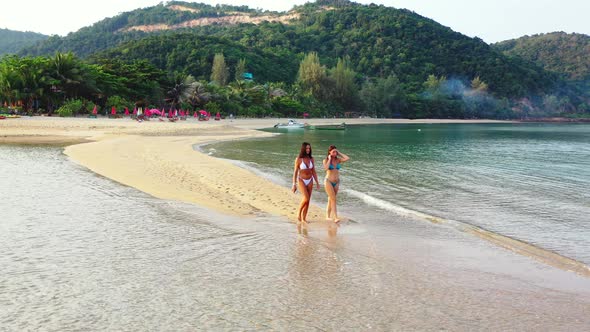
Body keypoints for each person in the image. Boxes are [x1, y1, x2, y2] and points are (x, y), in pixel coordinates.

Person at [292, 142, 320, 223]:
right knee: (306, 198)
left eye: (309, 148)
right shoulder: (298, 159)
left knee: (308, 200)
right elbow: (295, 172)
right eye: (307, 148)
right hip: (301, 180)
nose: (308, 150)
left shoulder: (312, 159)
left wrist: (317, 182)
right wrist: (294, 184)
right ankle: (299, 213)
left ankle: (304, 218)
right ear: (303, 149)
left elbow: (313, 171)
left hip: (310, 180)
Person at [323, 145, 350, 223]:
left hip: (337, 182)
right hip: (328, 182)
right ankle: (335, 217)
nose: (335, 153)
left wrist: (339, 152)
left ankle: (327, 216)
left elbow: (347, 158)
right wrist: (329, 159)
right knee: (333, 199)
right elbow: (325, 168)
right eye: (333, 151)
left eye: (336, 151)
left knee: (331, 199)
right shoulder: (325, 160)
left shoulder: (338, 160)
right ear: (329, 152)